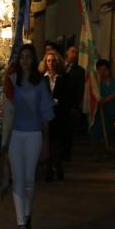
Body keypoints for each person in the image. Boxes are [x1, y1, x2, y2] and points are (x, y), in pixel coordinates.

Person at [2, 44, 54, 229]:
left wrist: (47, 142)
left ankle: (27, 213)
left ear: (33, 60)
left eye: (28, 57)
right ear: (19, 59)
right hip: (15, 134)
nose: (25, 60)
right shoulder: (13, 81)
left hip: (34, 135)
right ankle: (21, 223)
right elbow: (7, 111)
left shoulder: (40, 82)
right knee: (18, 179)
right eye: (22, 57)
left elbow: (46, 113)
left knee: (29, 179)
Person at [40, 50, 68, 181]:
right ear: (45, 63)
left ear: (57, 62)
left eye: (53, 60)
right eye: (48, 60)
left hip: (58, 115)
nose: (51, 63)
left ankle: (58, 168)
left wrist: (56, 101)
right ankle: (48, 171)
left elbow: (67, 96)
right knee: (47, 142)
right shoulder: (42, 79)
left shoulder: (62, 79)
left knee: (56, 144)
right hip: (45, 115)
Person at [90, 59, 115, 160]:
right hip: (99, 111)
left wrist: (105, 100)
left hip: (110, 110)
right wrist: (99, 101)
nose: (102, 72)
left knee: (108, 132)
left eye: (104, 69)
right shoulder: (96, 83)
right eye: (100, 69)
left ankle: (106, 151)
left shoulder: (113, 81)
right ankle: (96, 153)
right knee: (96, 132)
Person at [63, 45, 84, 157]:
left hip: (71, 103)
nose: (74, 54)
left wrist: (76, 105)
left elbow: (80, 89)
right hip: (59, 103)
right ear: (67, 52)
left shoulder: (80, 71)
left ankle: (66, 153)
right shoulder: (59, 66)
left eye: (76, 52)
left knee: (69, 130)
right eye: (72, 52)